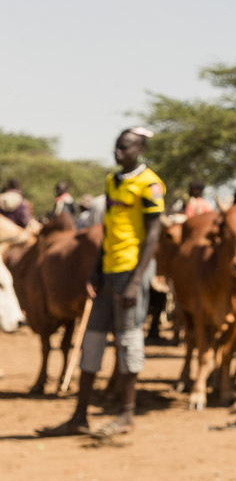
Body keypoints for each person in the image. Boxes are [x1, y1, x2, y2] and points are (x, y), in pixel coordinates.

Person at [38, 127, 165, 439]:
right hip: (107, 272)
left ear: (140, 149)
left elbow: (153, 236)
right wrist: (96, 269)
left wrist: (136, 281)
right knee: (92, 341)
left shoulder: (150, 185)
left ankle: (126, 414)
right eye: (116, 147)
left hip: (132, 273)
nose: (118, 152)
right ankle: (79, 417)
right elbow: (108, 228)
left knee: (128, 342)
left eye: (125, 147)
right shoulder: (112, 182)